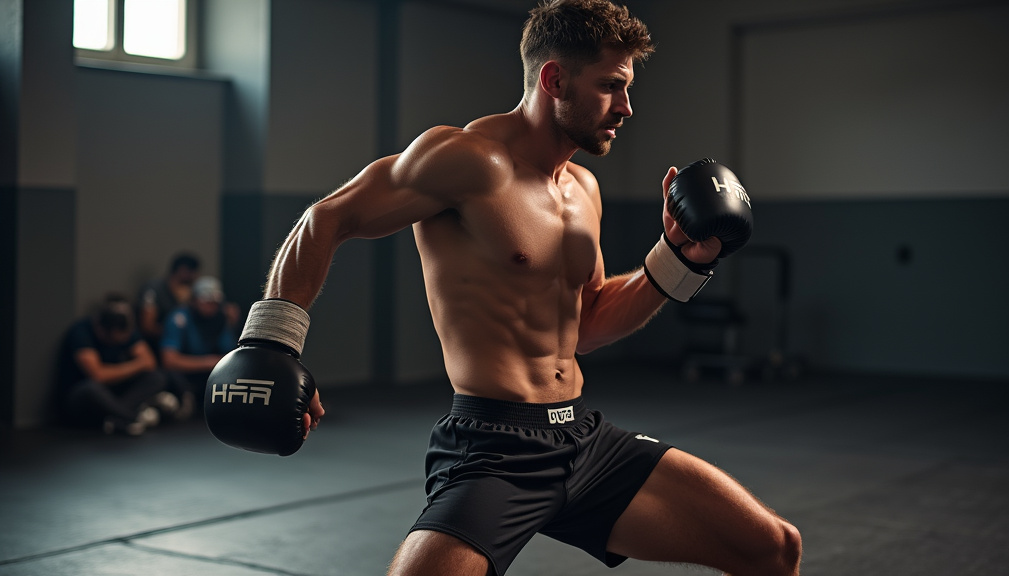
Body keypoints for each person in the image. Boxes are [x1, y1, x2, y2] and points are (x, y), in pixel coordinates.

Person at [206, 1, 800, 574]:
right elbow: (327, 217)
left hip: (581, 439)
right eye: (610, 86)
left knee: (773, 548)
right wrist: (270, 344)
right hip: (493, 447)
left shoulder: (582, 191)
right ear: (554, 79)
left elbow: (588, 324)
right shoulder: (466, 160)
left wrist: (677, 260)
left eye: (627, 88)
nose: (626, 107)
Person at [56, 294, 176, 436]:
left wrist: (118, 371)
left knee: (156, 377)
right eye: (115, 341)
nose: (119, 343)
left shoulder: (125, 328)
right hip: (81, 396)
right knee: (91, 389)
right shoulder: (81, 332)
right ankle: (133, 417)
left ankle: (117, 418)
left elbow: (149, 363)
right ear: (103, 331)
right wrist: (135, 365)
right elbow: (98, 375)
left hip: (115, 393)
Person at [161, 276, 239, 417]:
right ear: (195, 300)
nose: (211, 306)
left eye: (214, 302)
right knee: (168, 376)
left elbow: (231, 354)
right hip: (185, 374)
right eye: (206, 301)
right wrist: (208, 362)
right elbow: (169, 360)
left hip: (210, 374)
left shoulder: (221, 319)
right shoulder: (179, 318)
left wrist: (232, 324)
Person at [136, 252, 201, 357]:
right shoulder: (153, 290)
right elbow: (148, 327)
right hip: (153, 348)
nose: (195, 278)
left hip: (183, 349)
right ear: (183, 271)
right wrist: (174, 332)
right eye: (193, 273)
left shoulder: (191, 293)